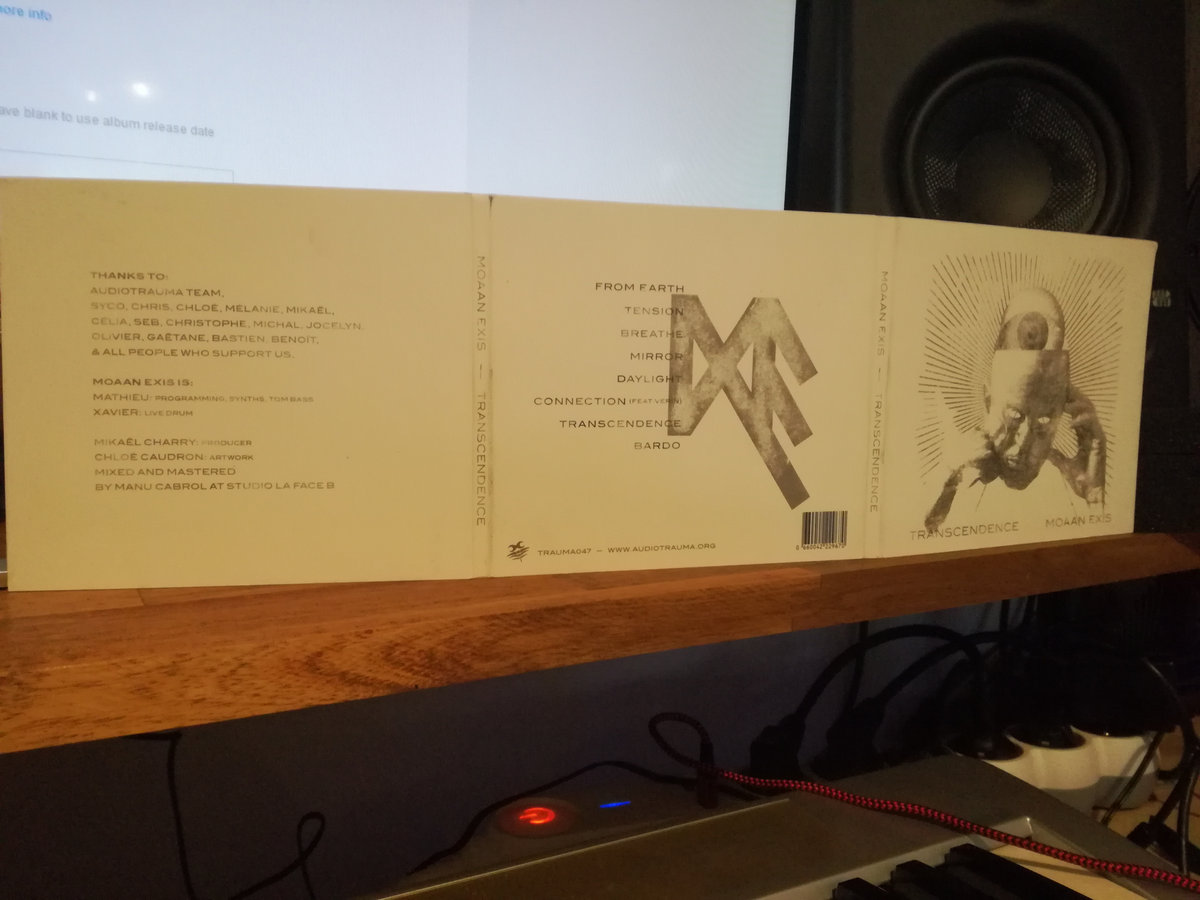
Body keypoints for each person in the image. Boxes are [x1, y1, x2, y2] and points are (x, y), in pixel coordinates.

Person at [924, 286, 1105, 531]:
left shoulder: (1064, 494)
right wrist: (945, 477)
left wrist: (1094, 497)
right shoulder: (952, 478)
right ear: (988, 400)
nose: (1022, 445)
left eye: (1043, 424)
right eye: (1013, 417)